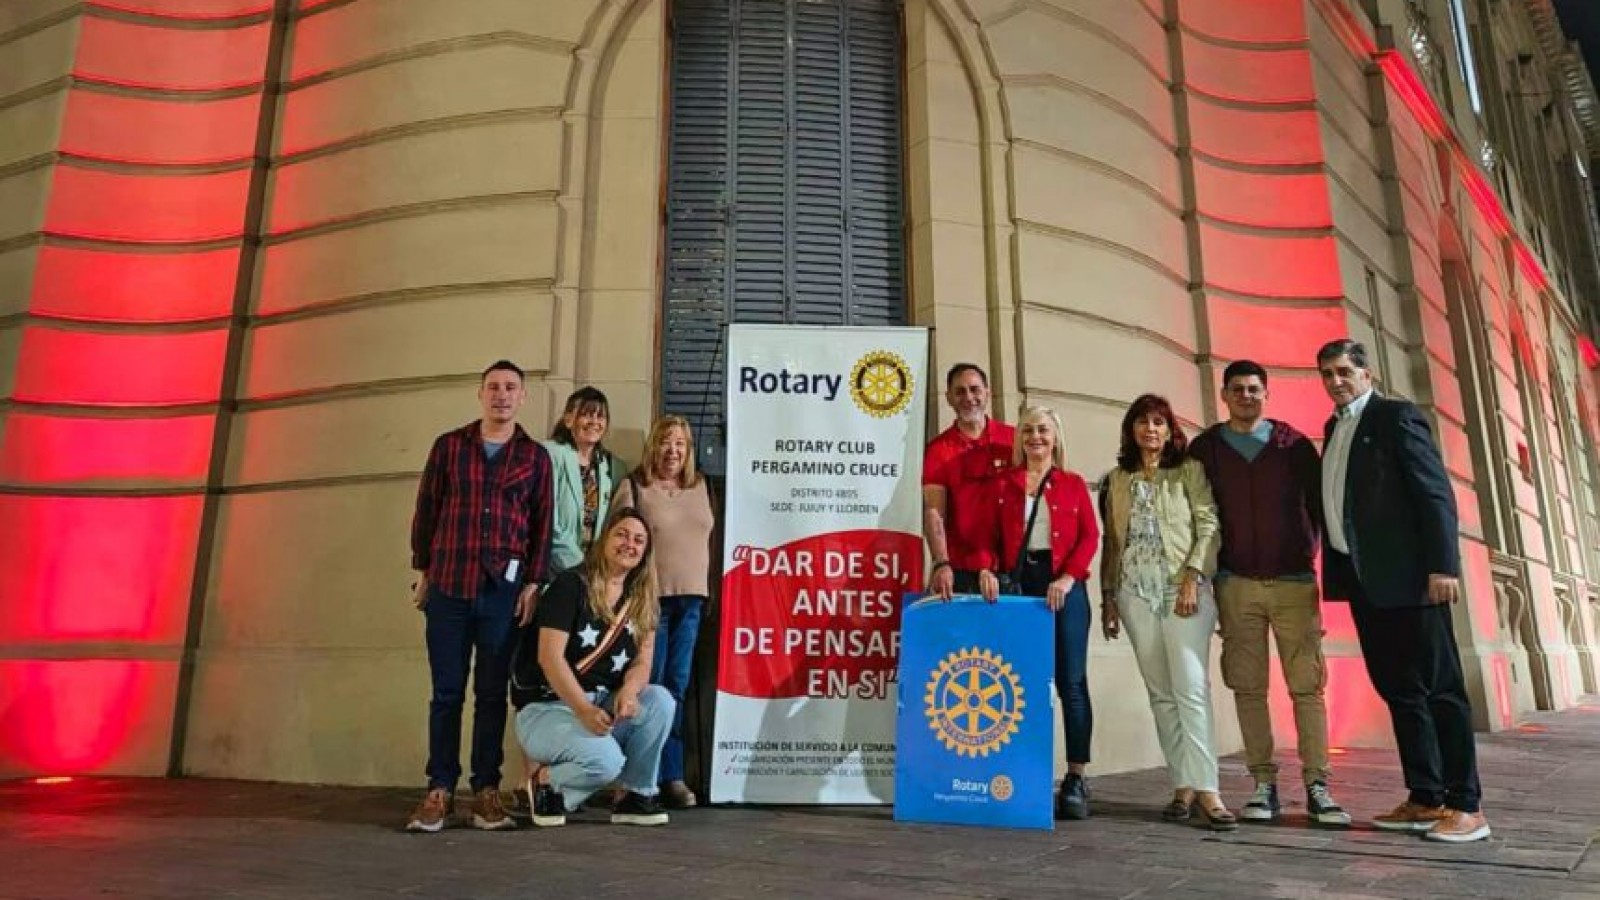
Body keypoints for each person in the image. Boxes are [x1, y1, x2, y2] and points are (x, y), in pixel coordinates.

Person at [1316, 338, 1488, 843]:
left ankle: (1466, 805)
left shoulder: (1395, 417)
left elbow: (1434, 492)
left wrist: (1443, 566)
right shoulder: (1334, 427)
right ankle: (1425, 795)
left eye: (1344, 371)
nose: (1335, 381)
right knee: (1401, 691)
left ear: (1366, 374)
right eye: (1326, 373)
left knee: (1441, 692)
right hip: (1367, 584)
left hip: (1414, 580)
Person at [1189, 360, 1349, 827]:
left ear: (1266, 394)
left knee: (1307, 686)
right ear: (1224, 395)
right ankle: (1263, 783)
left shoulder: (1294, 446)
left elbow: (1322, 508)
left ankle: (1319, 785)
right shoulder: (1207, 448)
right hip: (1236, 584)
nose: (1246, 396)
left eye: (1255, 389)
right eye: (1237, 389)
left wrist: (1318, 560)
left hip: (1293, 583)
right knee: (1247, 685)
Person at [406, 360, 553, 833]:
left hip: (501, 594)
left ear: (522, 397)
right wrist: (423, 570)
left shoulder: (534, 457)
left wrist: (532, 582)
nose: (502, 395)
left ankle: (486, 792)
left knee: (491, 694)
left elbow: (541, 525)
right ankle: (440, 790)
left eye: (511, 388)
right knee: (446, 694)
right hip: (448, 584)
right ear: (480, 394)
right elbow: (426, 509)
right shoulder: (450, 447)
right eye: (493, 387)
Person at [1099, 394, 1234, 830]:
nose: (1150, 430)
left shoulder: (1188, 471)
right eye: (1142, 422)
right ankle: (1183, 785)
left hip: (1183, 589)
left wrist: (1194, 576)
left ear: (1169, 429)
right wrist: (1109, 598)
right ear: (1131, 430)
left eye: (1158, 422)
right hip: (1135, 592)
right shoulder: (1117, 479)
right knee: (1160, 692)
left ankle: (1209, 790)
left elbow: (1208, 524)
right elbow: (1113, 542)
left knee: (1191, 686)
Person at [972, 405, 1100, 820]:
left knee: (1071, 682)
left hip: (1062, 585)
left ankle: (1076, 777)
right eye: (1028, 430)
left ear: (1056, 436)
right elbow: (986, 536)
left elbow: (1089, 538)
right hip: (1019, 585)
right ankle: (1023, 774)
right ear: (1019, 438)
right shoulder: (1003, 484)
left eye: (1043, 430)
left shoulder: (1073, 483)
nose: (1035, 437)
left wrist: (1068, 579)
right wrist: (987, 568)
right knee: (1019, 682)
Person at [512, 507, 675, 827]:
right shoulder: (570, 586)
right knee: (606, 763)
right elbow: (550, 657)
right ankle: (543, 784)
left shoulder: (642, 597)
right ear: (603, 540)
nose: (630, 544)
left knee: (659, 702)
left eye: (639, 540)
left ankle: (635, 794)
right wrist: (584, 710)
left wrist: (629, 690)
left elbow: (644, 660)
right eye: (622, 535)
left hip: (603, 701)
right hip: (550, 708)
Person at [611, 415, 716, 809]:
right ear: (653, 446)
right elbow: (618, 542)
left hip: (691, 601)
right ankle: (637, 776)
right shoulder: (634, 487)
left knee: (677, 689)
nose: (672, 450)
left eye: (681, 444)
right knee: (648, 689)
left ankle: (669, 775)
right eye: (665, 442)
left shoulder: (703, 487)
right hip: (650, 602)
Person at [923, 363, 1017, 598]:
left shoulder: (1013, 441)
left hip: (1012, 568)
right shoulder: (938, 450)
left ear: (988, 393)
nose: (969, 397)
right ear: (949, 398)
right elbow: (935, 512)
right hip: (961, 569)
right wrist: (941, 563)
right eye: (960, 391)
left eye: (975, 389)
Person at [544, 386, 620, 573]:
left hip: (592, 570)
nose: (594, 422)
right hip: (554, 568)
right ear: (569, 419)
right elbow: (546, 520)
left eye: (600, 416)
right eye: (587, 415)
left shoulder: (605, 465)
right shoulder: (551, 454)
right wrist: (577, 564)